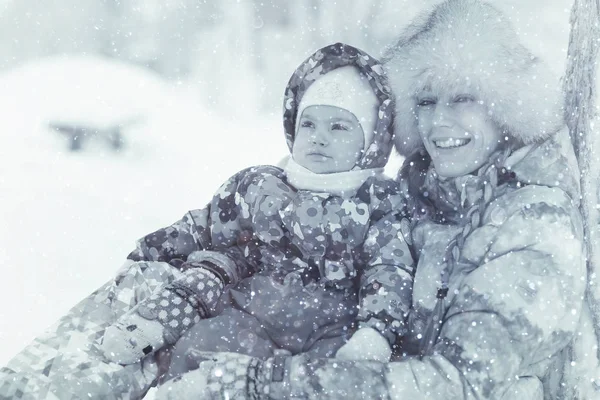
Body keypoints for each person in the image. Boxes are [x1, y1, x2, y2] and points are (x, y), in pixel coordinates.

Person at [154, 1, 587, 399]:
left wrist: (268, 381)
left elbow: (457, 384)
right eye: (426, 101)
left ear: (503, 108)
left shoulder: (531, 222)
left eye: (463, 99)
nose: (440, 120)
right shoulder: (420, 197)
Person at [99, 42, 414, 375]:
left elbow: (390, 268)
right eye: (309, 124)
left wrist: (376, 330)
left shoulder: (378, 200)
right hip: (252, 313)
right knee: (202, 348)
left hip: (332, 325)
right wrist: (150, 250)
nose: (319, 138)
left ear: (370, 141)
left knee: (332, 378)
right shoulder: (259, 184)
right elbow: (204, 225)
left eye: (339, 127)